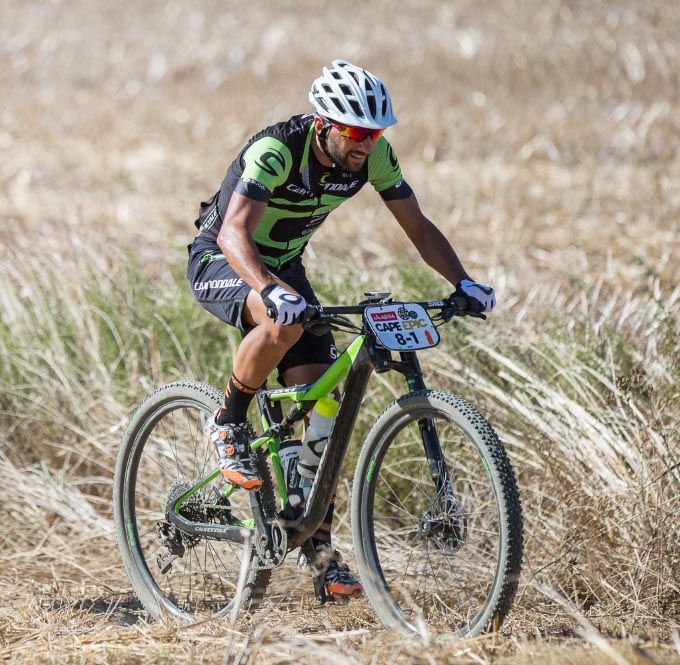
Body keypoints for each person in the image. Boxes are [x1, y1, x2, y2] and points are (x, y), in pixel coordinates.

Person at [185, 60, 496, 601]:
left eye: (374, 133)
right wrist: (269, 289)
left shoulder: (373, 155)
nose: (365, 144)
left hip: (285, 268)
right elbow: (235, 231)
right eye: (354, 132)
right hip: (226, 260)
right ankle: (227, 423)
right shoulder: (277, 150)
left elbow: (417, 227)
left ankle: (320, 553)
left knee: (321, 411)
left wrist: (463, 281)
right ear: (323, 123)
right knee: (280, 326)